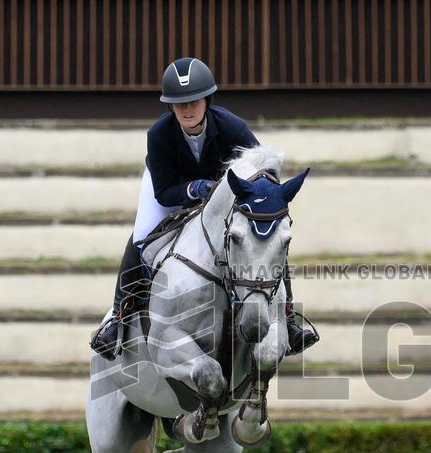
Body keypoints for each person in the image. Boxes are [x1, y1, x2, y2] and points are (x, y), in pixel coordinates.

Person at [90, 57, 318, 360]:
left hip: (225, 196)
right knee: (141, 236)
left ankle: (288, 318)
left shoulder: (233, 127)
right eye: (179, 103)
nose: (186, 109)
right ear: (170, 106)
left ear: (206, 101)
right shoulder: (158, 135)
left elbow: (266, 170)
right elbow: (163, 191)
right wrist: (193, 189)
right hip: (170, 191)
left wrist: (257, 198)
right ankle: (117, 317)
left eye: (193, 101)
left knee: (267, 236)